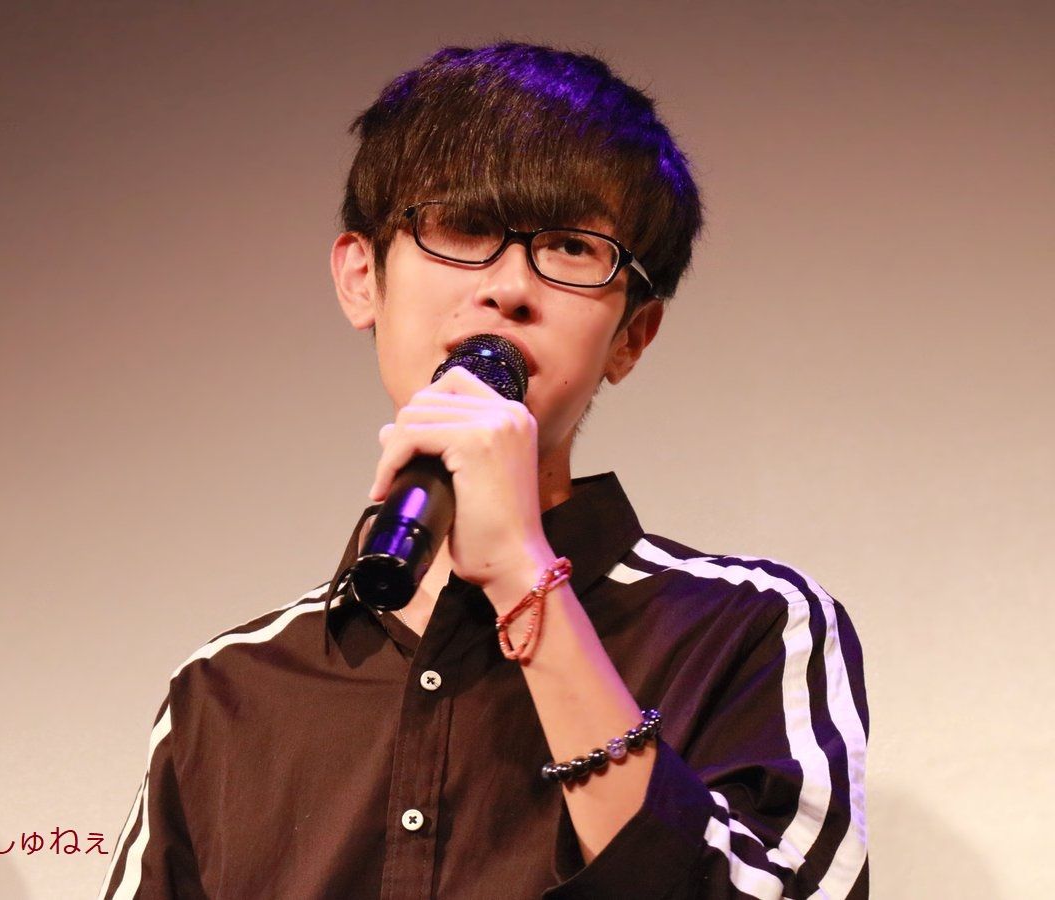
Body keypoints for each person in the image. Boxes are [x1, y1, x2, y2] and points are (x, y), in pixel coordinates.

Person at [98, 42, 868, 899]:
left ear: (631, 338)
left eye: (570, 246)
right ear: (361, 278)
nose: (507, 288)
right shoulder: (226, 691)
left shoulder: (750, 629)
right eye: (462, 228)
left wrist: (523, 574)